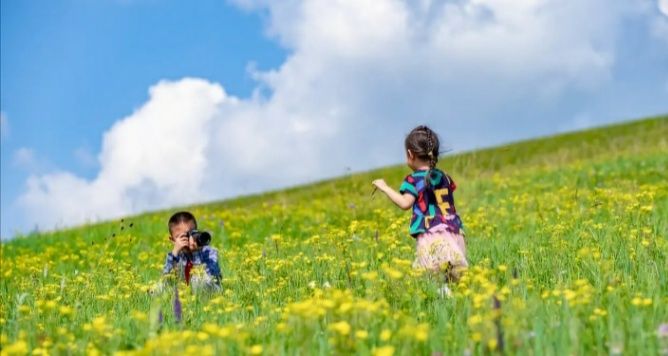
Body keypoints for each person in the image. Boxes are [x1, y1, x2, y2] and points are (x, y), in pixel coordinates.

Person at [372, 125, 468, 296]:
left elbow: (404, 203)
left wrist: (385, 187)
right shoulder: (444, 176)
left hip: (432, 235)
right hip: (455, 233)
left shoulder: (413, 179)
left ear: (410, 155)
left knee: (435, 282)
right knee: (456, 283)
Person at [162, 211, 222, 290]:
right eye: (182, 237)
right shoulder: (175, 256)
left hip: (210, 290)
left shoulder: (208, 252)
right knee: (160, 287)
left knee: (197, 279)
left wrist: (195, 252)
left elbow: (213, 276)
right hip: (185, 293)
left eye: (191, 234)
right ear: (173, 240)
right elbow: (167, 279)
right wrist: (174, 253)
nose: (188, 239)